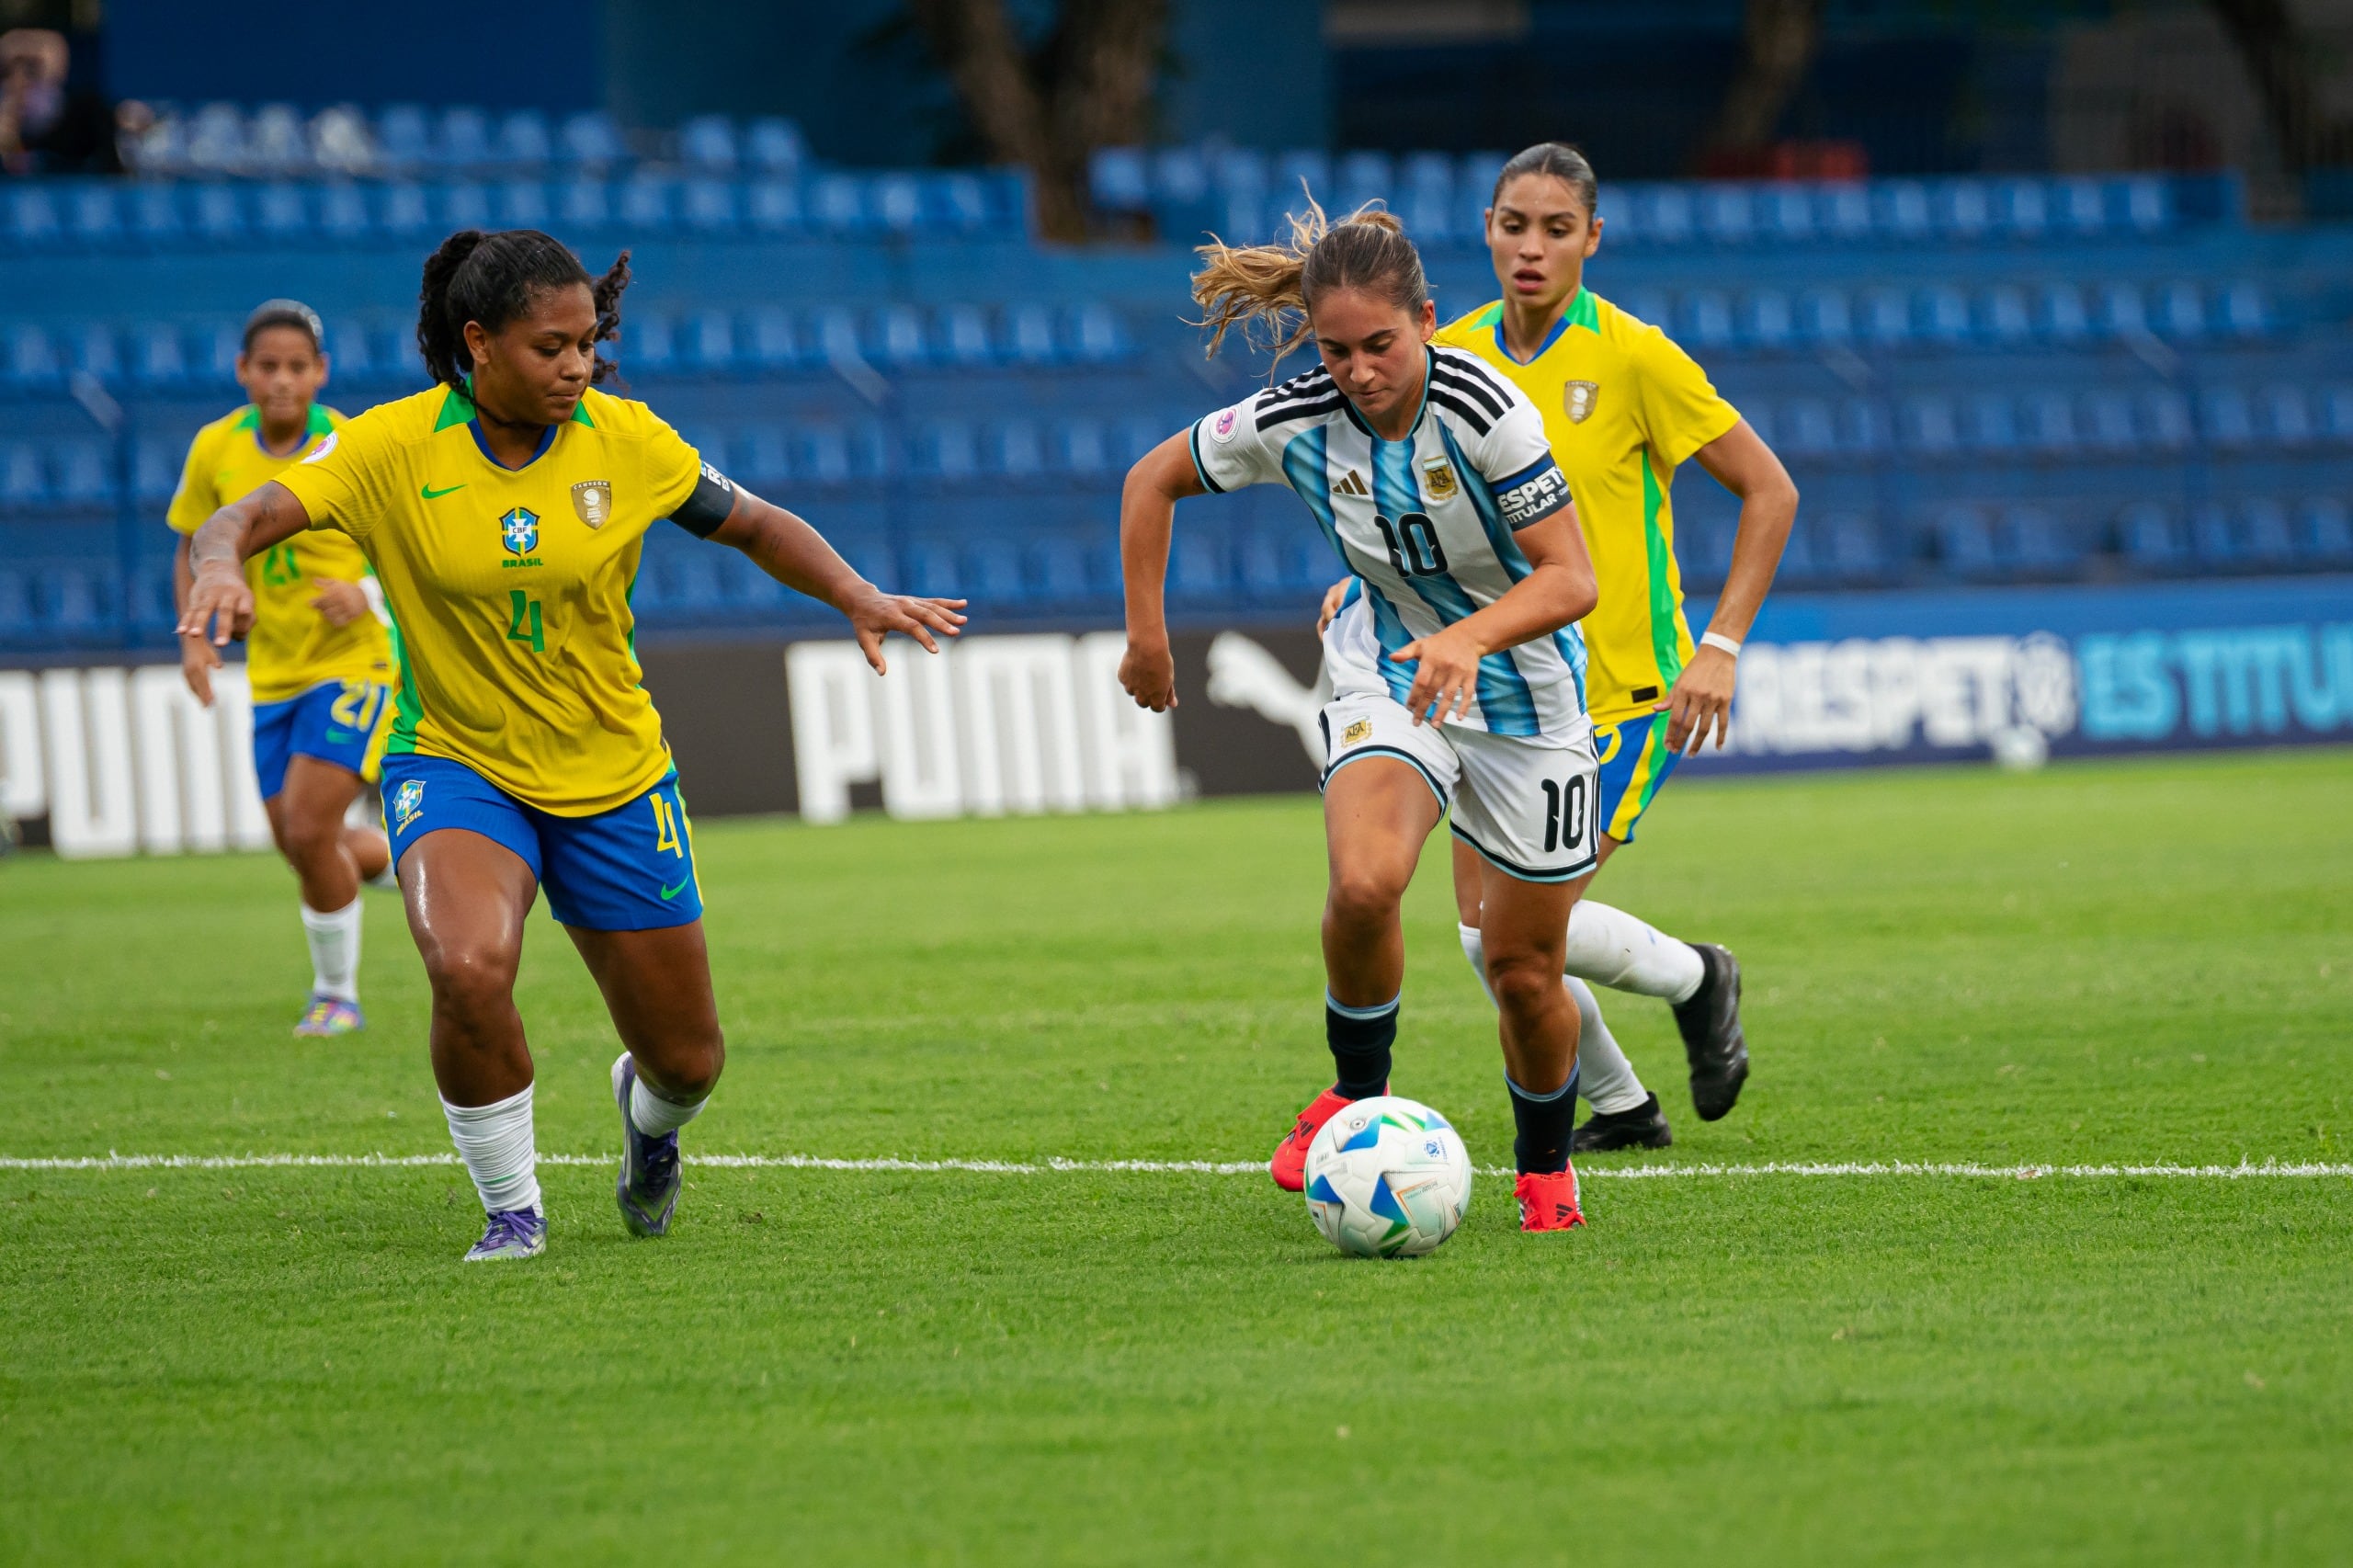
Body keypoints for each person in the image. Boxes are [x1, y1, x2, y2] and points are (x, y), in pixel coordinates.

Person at [179, 229, 967, 1262]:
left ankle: (648, 1125)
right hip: (455, 759)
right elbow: (238, 514)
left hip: (612, 772)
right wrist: (218, 566)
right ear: (480, 344)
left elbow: (757, 522)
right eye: (551, 347)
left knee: (688, 1060)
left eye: (587, 343)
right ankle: (513, 1208)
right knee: (466, 967)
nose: (578, 366)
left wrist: (855, 592)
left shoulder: (626, 441)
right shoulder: (391, 446)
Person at [1120, 203, 1606, 1233]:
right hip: (1389, 672)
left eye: (1380, 344)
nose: (1359, 369)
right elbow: (1149, 479)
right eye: (1335, 349)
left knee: (1522, 972)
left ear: (1425, 319)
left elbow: (1572, 579)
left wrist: (1470, 637)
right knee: (1363, 881)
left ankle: (1545, 1168)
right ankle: (1353, 1091)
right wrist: (1147, 637)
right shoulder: (1292, 418)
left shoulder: (1489, 413)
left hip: (1530, 703)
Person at [1329, 142, 1798, 1153]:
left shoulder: (1635, 356)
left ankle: (1692, 976)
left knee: (1509, 934)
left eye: (1554, 228)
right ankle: (1625, 1102)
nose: (1530, 248)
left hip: (1621, 687)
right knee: (1485, 937)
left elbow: (1771, 489)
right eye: (1512, 225)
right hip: (1493, 686)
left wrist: (1718, 645)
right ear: (1486, 233)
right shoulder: (1441, 352)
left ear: (1592, 238)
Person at [170, 300, 397, 1040]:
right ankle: (404, 856)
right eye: (267, 366)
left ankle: (338, 996)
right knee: (303, 844)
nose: (281, 380)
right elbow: (192, 545)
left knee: (306, 828)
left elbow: (420, 541)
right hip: (273, 673)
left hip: (356, 664)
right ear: (243, 371)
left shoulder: (351, 444)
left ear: (321, 374)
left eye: (297, 367)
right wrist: (197, 640)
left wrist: (362, 592)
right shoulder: (216, 449)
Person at [0, 28, 123, 175]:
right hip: (26, 147)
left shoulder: (47, 85)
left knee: (97, 107)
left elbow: (55, 49)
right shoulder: (8, 93)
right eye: (16, 65)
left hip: (60, 139)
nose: (23, 72)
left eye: (30, 65)